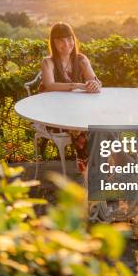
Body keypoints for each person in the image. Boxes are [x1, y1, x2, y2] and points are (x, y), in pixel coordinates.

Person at [41, 22, 101, 173]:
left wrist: (95, 84)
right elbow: (49, 85)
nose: (66, 44)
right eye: (60, 40)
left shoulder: (81, 59)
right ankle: (91, 168)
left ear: (74, 39)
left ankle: (116, 160)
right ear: (53, 43)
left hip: (79, 110)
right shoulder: (48, 62)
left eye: (69, 39)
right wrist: (77, 85)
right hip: (54, 115)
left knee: (105, 123)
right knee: (81, 127)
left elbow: (96, 81)